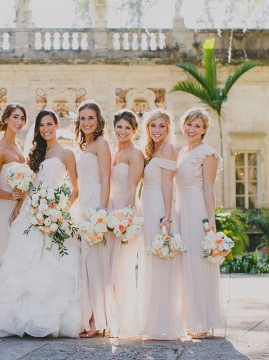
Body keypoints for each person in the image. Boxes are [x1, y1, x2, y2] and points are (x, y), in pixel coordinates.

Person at [0, 110, 83, 338]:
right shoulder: (34, 154)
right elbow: (29, 186)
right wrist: (19, 208)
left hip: (55, 214)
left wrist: (60, 212)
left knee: (53, 265)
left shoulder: (67, 153)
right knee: (24, 263)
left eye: (50, 124)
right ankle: (20, 318)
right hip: (32, 212)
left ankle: (49, 319)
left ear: (57, 125)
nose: (45, 129)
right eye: (41, 125)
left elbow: (76, 189)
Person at [176, 107, 224, 339]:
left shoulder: (208, 154)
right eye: (189, 124)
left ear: (204, 130)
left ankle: (202, 321)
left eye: (197, 126)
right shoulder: (182, 151)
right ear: (183, 125)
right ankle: (190, 318)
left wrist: (210, 221)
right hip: (180, 209)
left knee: (197, 262)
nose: (192, 129)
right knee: (184, 265)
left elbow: (208, 189)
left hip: (197, 211)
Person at [139, 108, 186, 340]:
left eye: (162, 126)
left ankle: (163, 323)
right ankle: (150, 321)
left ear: (168, 129)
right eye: (153, 126)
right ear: (147, 128)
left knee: (161, 266)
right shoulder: (149, 150)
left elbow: (168, 185)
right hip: (147, 206)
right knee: (150, 264)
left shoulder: (168, 149)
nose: (157, 130)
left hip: (159, 208)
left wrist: (167, 217)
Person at [75, 100, 112, 338]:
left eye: (90, 118)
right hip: (83, 205)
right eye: (82, 118)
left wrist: (101, 212)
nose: (86, 122)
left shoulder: (101, 143)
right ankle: (90, 316)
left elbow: (107, 179)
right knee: (85, 262)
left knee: (97, 263)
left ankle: (99, 320)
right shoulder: (82, 145)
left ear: (98, 121)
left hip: (96, 205)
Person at [109, 109, 144, 338]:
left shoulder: (135, 154)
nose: (123, 132)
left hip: (126, 210)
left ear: (134, 131)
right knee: (111, 271)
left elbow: (132, 187)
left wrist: (127, 219)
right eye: (119, 127)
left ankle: (128, 323)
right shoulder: (112, 153)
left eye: (127, 128)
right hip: (111, 209)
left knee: (124, 268)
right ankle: (115, 320)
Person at [0, 103, 27, 263]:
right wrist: (10, 196)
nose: (19, 121)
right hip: (3, 206)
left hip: (20, 206)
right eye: (15, 117)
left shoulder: (18, 145)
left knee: (19, 252)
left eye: (22, 118)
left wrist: (19, 202)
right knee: (5, 250)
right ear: (6, 119)